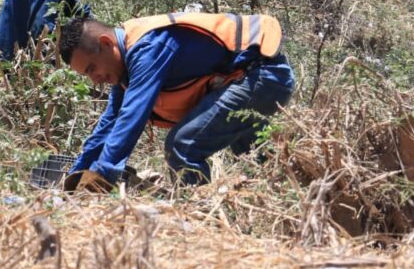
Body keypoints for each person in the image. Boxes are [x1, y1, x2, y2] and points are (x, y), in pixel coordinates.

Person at [58, 11, 295, 192]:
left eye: (92, 69)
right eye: (86, 75)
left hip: (262, 76)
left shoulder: (148, 47)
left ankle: (198, 219)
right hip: (248, 81)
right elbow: (110, 122)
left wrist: (103, 175)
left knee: (183, 145)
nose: (95, 80)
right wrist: (77, 173)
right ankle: (290, 200)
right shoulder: (123, 67)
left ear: (107, 44)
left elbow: (132, 117)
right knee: (254, 162)